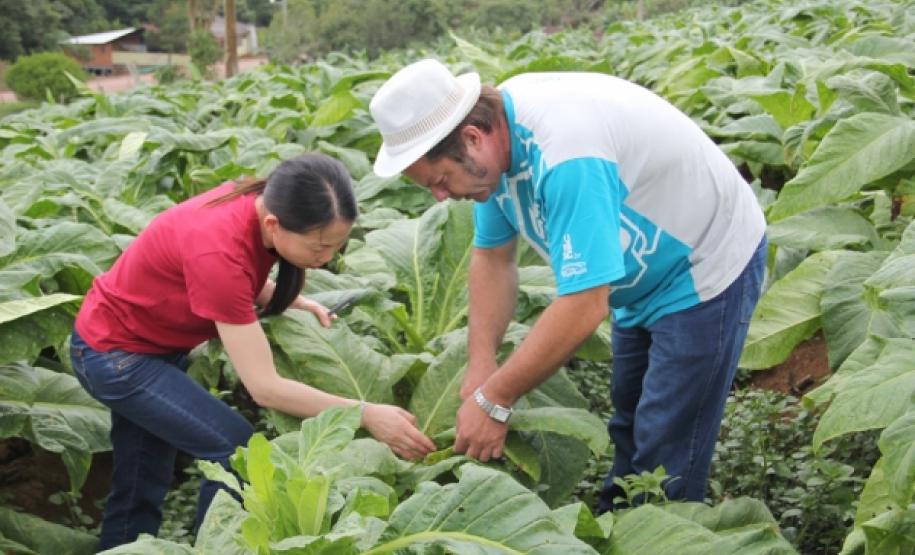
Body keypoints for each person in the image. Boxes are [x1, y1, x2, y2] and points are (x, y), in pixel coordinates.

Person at [368, 59, 767, 511]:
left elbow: (583, 305)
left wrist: (495, 400)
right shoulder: (493, 150)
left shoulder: (565, 152)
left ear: (472, 139)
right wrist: (480, 364)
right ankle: (619, 524)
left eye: (440, 181)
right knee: (631, 421)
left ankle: (668, 529)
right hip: (637, 278)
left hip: (704, 264)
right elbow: (492, 258)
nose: (441, 197)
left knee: (667, 441)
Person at [70, 153, 436, 549]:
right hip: (116, 356)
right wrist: (366, 414)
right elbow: (264, 387)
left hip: (145, 343)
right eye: (319, 247)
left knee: (142, 477)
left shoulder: (258, 202)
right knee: (237, 453)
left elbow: (231, 279)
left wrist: (294, 301)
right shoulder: (218, 250)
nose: (326, 258)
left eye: (336, 246)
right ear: (274, 225)